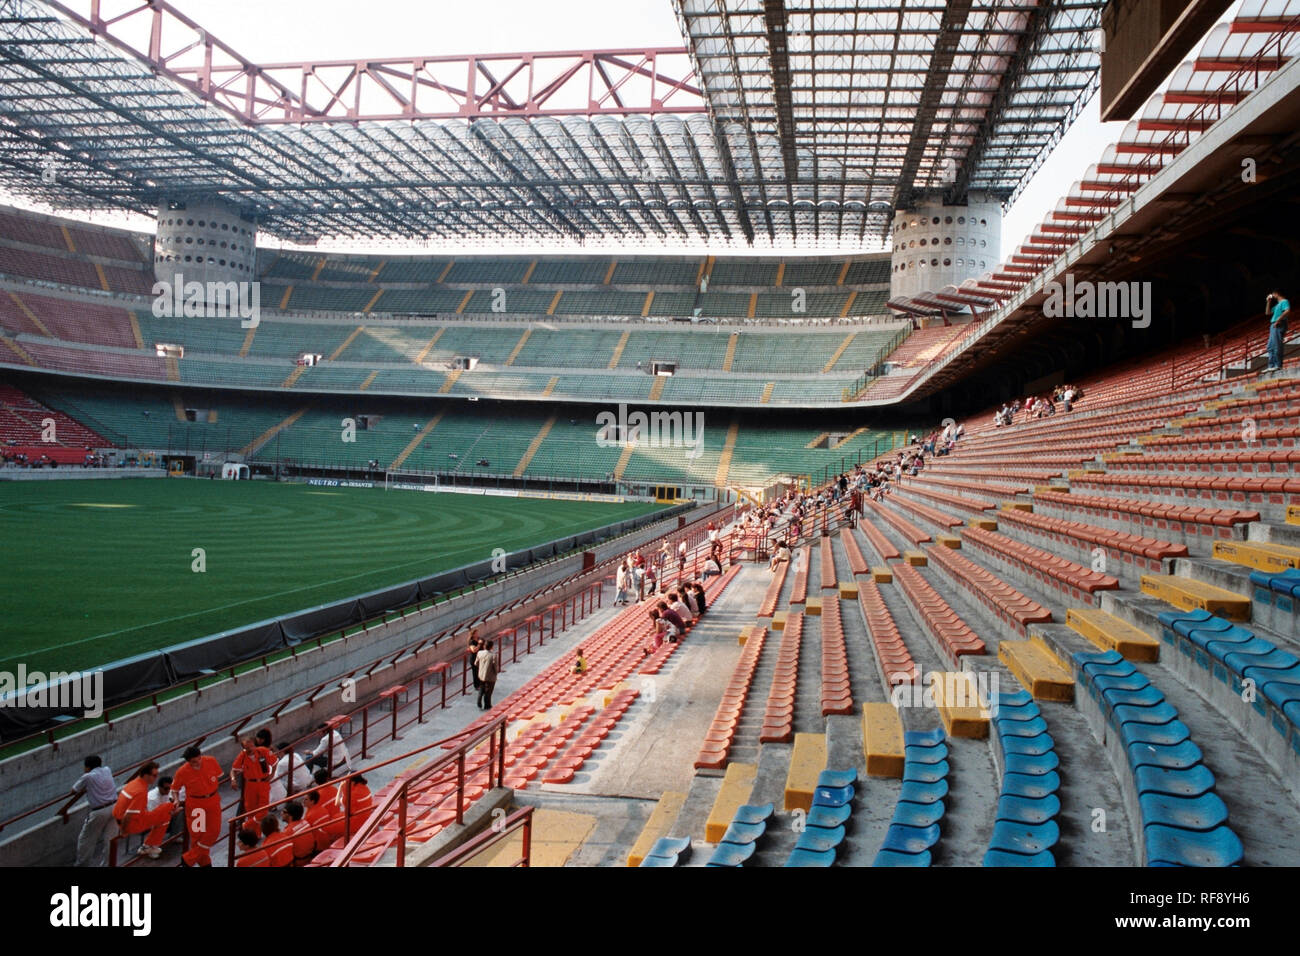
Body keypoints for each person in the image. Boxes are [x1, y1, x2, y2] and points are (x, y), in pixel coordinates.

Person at [171, 745, 225, 867]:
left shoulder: (211, 761)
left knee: (214, 831)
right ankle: (205, 864)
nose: (194, 764)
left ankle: (187, 860)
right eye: (191, 762)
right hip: (196, 806)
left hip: (213, 801)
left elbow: (218, 776)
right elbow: (175, 789)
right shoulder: (182, 771)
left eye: (196, 760)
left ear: (200, 756)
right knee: (197, 837)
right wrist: (176, 800)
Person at [113, 761, 175, 860]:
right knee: (167, 810)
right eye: (154, 775)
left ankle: (149, 845)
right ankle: (148, 846)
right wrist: (124, 831)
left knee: (165, 812)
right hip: (131, 824)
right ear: (146, 775)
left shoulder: (133, 783)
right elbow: (128, 815)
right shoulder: (141, 791)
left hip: (121, 818)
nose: (156, 778)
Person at [72, 755, 118, 867]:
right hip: (115, 807)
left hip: (99, 811)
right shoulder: (107, 770)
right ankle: (108, 864)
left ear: (87, 767)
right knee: (110, 839)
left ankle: (82, 864)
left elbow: (74, 790)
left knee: (86, 839)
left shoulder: (87, 777)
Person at [232, 736, 275, 824]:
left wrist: (272, 774)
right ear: (244, 748)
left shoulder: (262, 751)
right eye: (247, 748)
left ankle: (247, 824)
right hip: (250, 786)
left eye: (252, 746)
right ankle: (255, 833)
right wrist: (233, 779)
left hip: (263, 783)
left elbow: (274, 762)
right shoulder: (242, 756)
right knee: (250, 809)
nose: (250, 749)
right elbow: (234, 769)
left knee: (263, 809)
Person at [282, 801, 315, 866]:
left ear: (290, 816)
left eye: (284, 812)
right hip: (310, 857)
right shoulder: (306, 822)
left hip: (299, 863)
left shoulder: (287, 832)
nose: (281, 813)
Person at [1266, 289, 1291, 371]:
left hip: (1279, 324)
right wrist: (1268, 302)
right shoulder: (1277, 305)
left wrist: (1278, 320)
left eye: (1273, 294)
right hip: (1273, 325)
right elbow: (1268, 313)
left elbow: (1287, 311)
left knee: (1277, 345)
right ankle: (1271, 366)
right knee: (1270, 346)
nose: (1273, 295)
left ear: (1276, 294)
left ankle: (1278, 365)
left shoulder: (1284, 301)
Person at [476, 639, 499, 709]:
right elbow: (495, 667)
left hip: (481, 674)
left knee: (482, 688)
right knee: (488, 691)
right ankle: (487, 705)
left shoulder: (479, 653)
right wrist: (496, 673)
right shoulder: (493, 655)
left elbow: (476, 663)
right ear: (492, 647)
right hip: (490, 676)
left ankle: (479, 700)